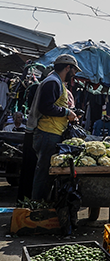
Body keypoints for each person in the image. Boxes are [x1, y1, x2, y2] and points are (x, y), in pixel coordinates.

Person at [26, 54, 80, 201]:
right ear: (68, 67)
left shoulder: (57, 82)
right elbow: (46, 107)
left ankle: (43, 205)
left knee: (48, 173)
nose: (74, 75)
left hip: (52, 133)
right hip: (47, 133)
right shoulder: (52, 82)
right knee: (44, 173)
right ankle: (37, 209)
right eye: (74, 71)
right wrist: (67, 112)